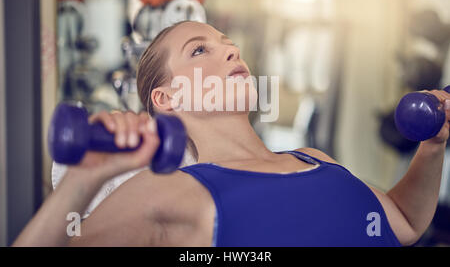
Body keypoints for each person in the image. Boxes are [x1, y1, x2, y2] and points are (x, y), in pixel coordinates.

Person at [13, 21, 450, 246]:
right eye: (200, 49)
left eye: (227, 43)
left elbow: (406, 223)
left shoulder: (315, 158)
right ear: (166, 99)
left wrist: (432, 147)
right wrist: (82, 180)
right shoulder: (170, 193)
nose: (231, 50)